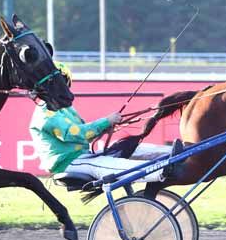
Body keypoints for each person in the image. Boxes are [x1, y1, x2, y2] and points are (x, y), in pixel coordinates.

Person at [29, 63, 176, 182]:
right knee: (111, 165)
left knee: (132, 148)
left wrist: (105, 128)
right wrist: (106, 121)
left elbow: (86, 135)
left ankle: (175, 154)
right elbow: (76, 134)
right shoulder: (46, 114)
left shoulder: (63, 108)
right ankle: (162, 171)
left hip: (83, 157)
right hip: (69, 164)